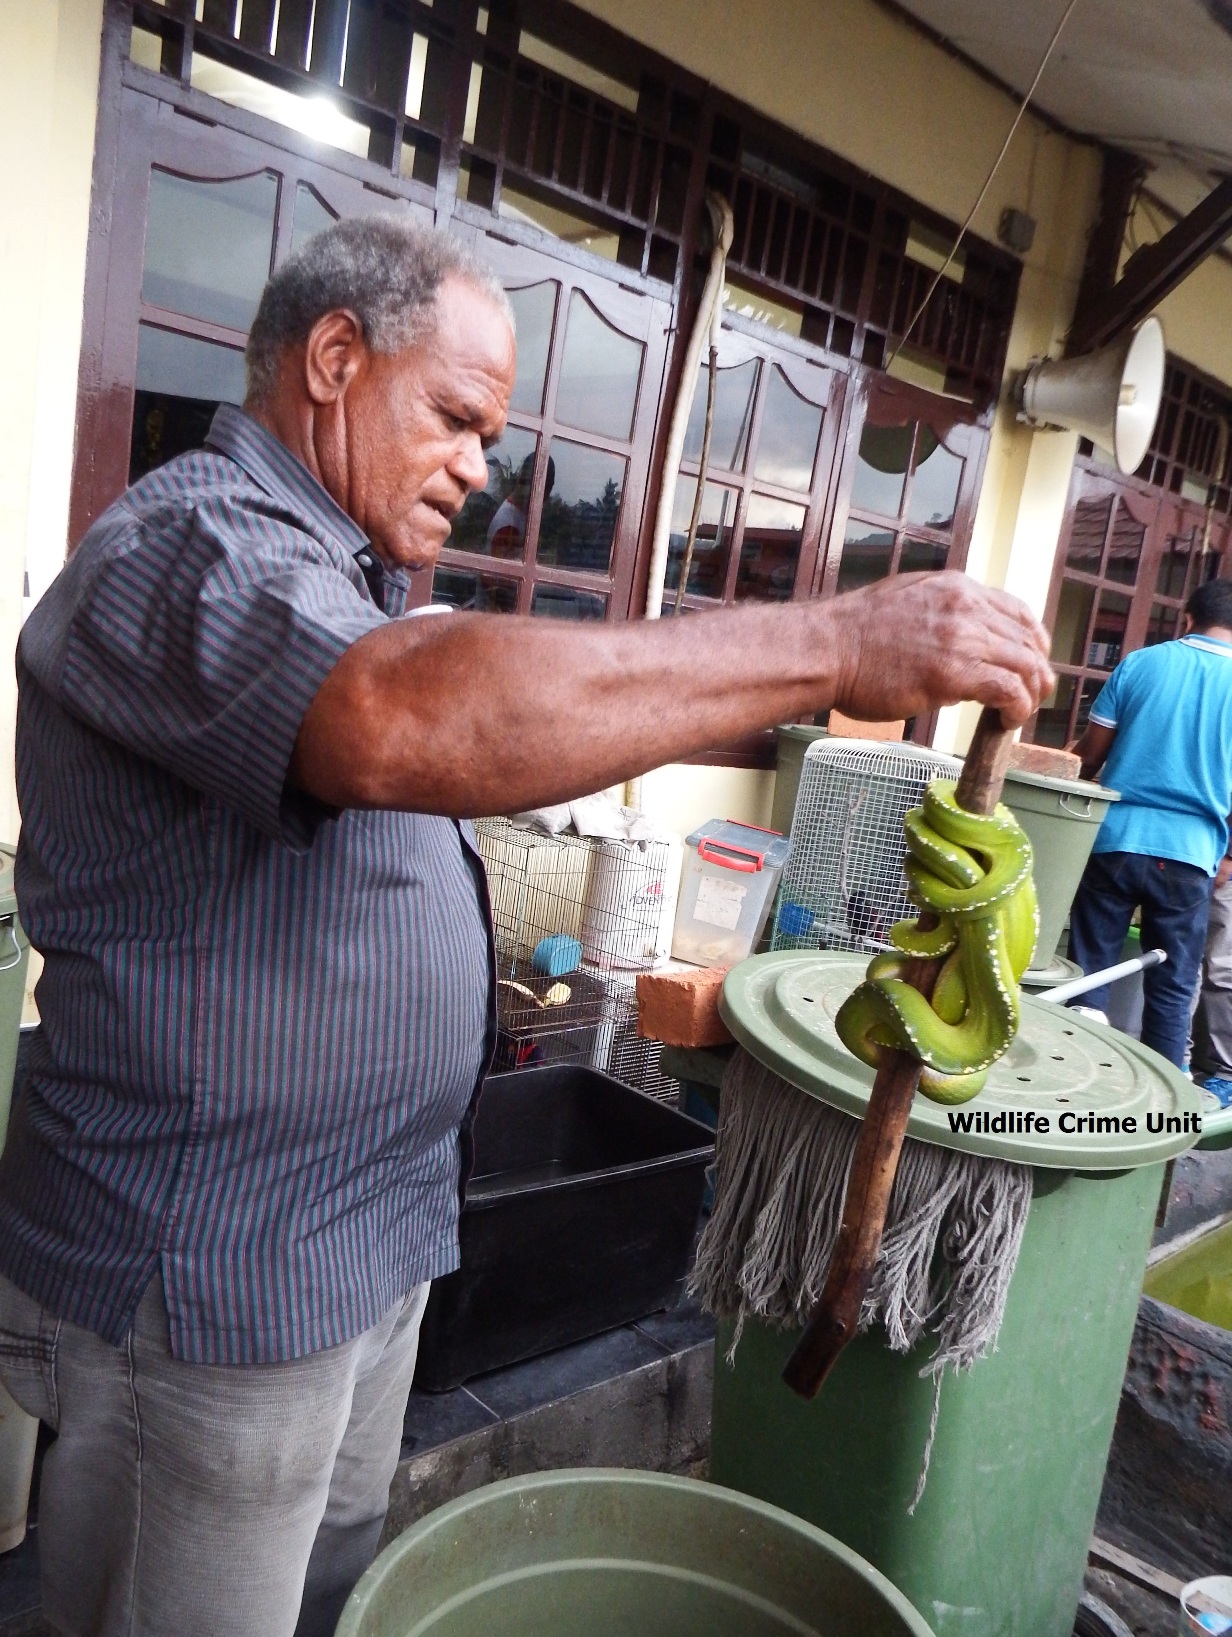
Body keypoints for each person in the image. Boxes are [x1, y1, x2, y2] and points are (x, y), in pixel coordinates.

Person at [0, 215, 1053, 1637]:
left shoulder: (340, 567)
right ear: (331, 359)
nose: (480, 467)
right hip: (212, 1273)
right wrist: (837, 644)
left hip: (357, 1243)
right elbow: (401, 714)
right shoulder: (188, 546)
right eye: (453, 418)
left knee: (320, 1600)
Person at [1066, 578, 1232, 1069]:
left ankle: (1074, 1077)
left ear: (1187, 617)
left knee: (1089, 972)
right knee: (1173, 984)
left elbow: (1089, 757)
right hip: (1191, 854)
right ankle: (1161, 1121)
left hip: (1114, 840)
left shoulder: (1141, 663)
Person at [1189, 861, 1232, 1107]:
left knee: (1222, 973)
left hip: (1224, 874)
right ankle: (1179, 1060)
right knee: (1182, 968)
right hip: (1189, 863)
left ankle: (1228, 1073)